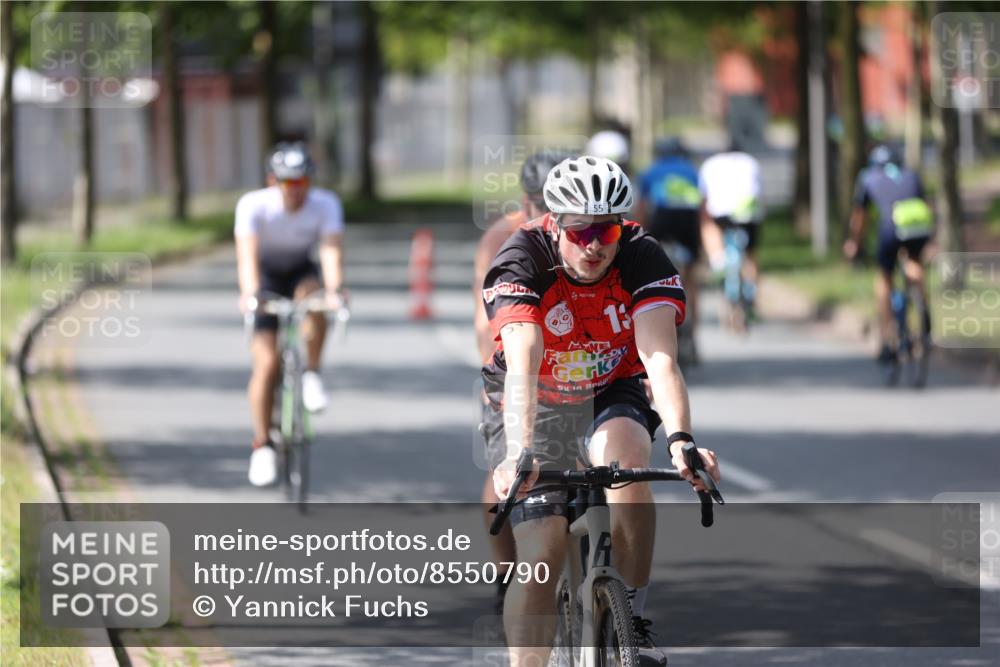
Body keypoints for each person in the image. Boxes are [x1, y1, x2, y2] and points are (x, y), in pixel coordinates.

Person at [481, 155, 720, 666]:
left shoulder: (641, 254)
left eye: (605, 233)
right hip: (535, 399)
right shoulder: (523, 258)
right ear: (555, 222)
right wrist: (520, 452)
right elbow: (522, 364)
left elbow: (659, 361)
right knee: (542, 551)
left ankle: (631, 616)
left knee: (629, 459)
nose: (593, 245)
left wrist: (681, 441)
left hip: (610, 388)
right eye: (581, 231)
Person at [473, 149, 574, 608]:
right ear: (525, 200)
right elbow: (484, 320)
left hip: (583, 368)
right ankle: (506, 571)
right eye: (537, 202)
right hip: (518, 361)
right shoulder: (504, 236)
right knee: (503, 480)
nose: (545, 213)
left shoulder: (582, 234)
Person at [235, 142, 346, 487]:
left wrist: (335, 291)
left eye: (301, 183)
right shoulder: (253, 205)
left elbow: (330, 253)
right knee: (266, 363)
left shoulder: (325, 204)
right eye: (288, 184)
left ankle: (311, 372)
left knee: (316, 301)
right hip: (266, 275)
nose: (295, 191)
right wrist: (251, 296)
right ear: (273, 181)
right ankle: (262, 444)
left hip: (300, 271)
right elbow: (247, 257)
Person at [843, 144, 933, 361]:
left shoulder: (868, 177)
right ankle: (923, 307)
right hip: (918, 225)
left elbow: (860, 216)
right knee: (913, 262)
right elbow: (926, 204)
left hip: (891, 227)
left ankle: (886, 340)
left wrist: (855, 242)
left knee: (884, 278)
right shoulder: (911, 174)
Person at [637, 137, 703, 362]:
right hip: (688, 220)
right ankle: (693, 337)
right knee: (692, 278)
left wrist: (642, 235)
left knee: (654, 273)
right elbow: (701, 204)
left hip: (663, 219)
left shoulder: (650, 171)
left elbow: (643, 207)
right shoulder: (691, 170)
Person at [698, 141, 763, 317]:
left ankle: (717, 259)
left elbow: (703, 199)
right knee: (751, 253)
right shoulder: (750, 161)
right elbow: (758, 192)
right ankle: (752, 293)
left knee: (708, 226)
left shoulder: (710, 164)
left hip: (721, 213)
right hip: (748, 213)